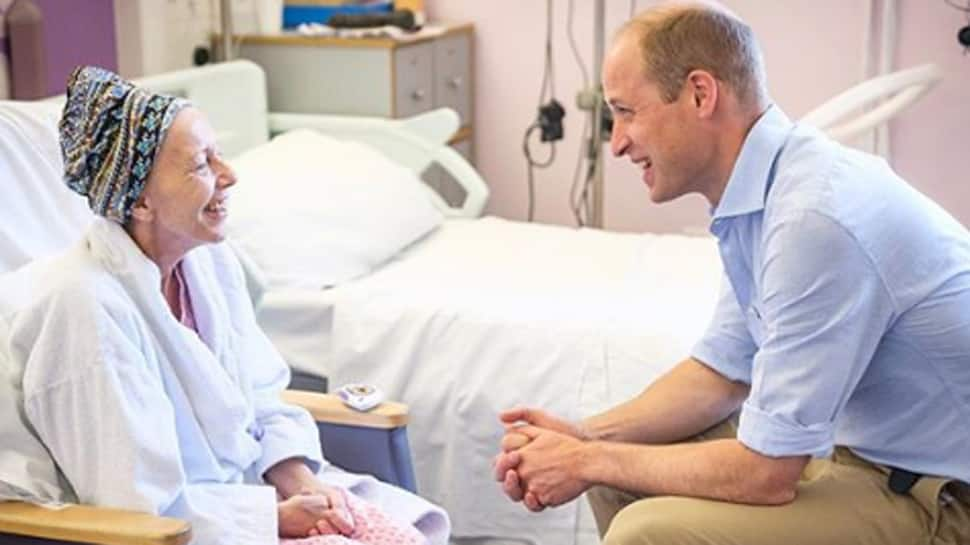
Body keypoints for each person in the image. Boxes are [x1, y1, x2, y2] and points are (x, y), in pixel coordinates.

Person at [492, 3, 970, 544]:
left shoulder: (813, 218)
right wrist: (582, 439)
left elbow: (768, 474)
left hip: (945, 497)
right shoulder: (761, 198)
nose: (617, 141)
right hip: (868, 456)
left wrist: (589, 457)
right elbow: (721, 373)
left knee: (643, 531)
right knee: (616, 478)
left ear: (700, 94)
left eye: (626, 111)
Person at [0, 66, 448, 545]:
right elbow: (130, 500)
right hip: (180, 531)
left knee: (403, 533)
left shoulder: (209, 263)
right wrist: (272, 520)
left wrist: (302, 483)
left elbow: (262, 396)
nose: (229, 175)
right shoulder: (81, 308)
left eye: (219, 155)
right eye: (200, 165)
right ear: (141, 203)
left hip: (251, 497)